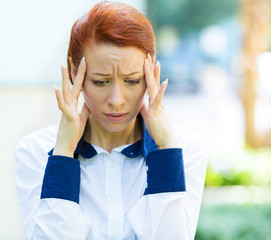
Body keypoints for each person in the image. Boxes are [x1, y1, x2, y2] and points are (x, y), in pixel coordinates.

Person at [14, 1, 208, 239]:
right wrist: (63, 152)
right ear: (76, 74)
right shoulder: (36, 151)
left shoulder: (184, 149)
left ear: (151, 73)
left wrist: (166, 151)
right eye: (100, 82)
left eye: (132, 81)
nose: (116, 100)